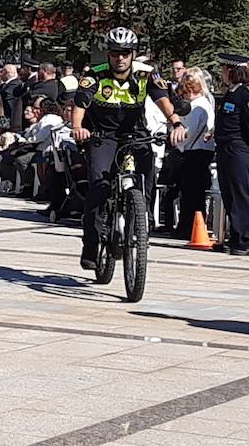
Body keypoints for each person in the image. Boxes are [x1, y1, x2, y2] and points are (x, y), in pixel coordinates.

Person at [71, 27, 184, 271]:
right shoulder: (95, 75)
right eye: (115, 53)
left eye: (125, 53)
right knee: (99, 186)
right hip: (104, 135)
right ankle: (91, 243)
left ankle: (143, 222)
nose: (120, 58)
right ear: (108, 54)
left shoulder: (146, 74)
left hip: (135, 134)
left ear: (133, 54)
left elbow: (162, 99)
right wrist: (78, 127)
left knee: (147, 174)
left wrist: (175, 122)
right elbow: (80, 103)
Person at [213, 55, 249, 254]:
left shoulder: (247, 96)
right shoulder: (232, 93)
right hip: (225, 148)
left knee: (242, 195)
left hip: (238, 148)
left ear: (232, 71)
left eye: (225, 69)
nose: (222, 73)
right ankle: (236, 237)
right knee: (229, 194)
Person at [175, 68, 216, 239]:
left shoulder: (197, 106)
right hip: (200, 150)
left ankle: (188, 227)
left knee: (191, 192)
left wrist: (176, 138)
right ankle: (190, 226)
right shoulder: (205, 104)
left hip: (195, 152)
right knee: (193, 192)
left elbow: (188, 132)